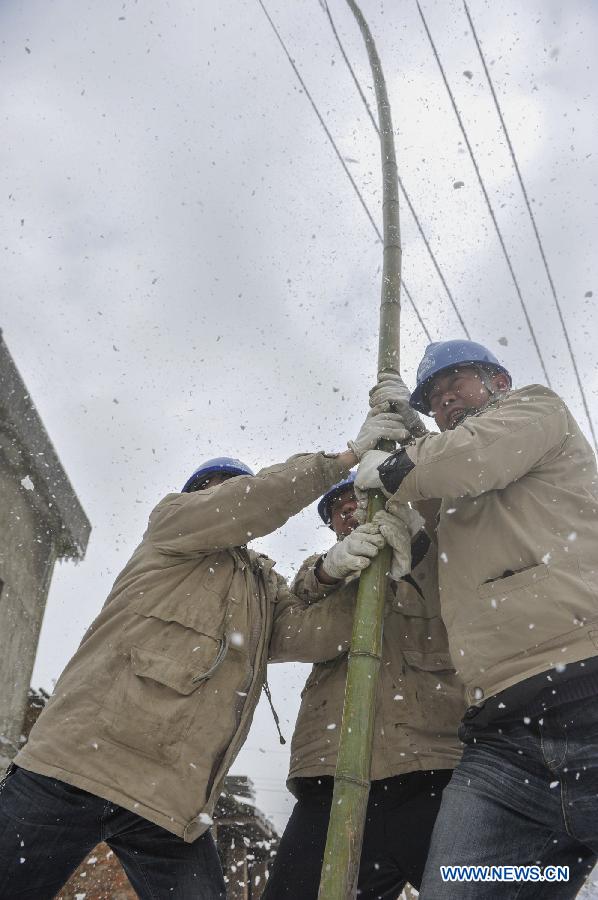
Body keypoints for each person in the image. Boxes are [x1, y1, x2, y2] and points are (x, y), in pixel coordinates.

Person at [0, 405, 408, 900]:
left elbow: (313, 634)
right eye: (214, 486)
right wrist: (344, 458)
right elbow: (251, 503)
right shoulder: (171, 528)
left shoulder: (262, 585)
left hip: (172, 803)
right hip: (72, 765)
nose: (223, 494)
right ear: (199, 496)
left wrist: (348, 572)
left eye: (230, 484)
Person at [355, 341, 598, 898]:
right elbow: (447, 580)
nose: (445, 403)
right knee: (462, 885)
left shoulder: (535, 410)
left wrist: (394, 462)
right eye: (435, 400)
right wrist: (411, 545)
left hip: (586, 697)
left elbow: (470, 457)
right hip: (502, 745)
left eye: (455, 385)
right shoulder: (453, 493)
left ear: (499, 381)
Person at [263, 473, 465, 899]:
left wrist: (414, 550)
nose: (352, 512)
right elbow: (284, 638)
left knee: (489, 885)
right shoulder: (314, 582)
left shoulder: (437, 555)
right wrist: (344, 579)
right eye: (340, 510)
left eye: (360, 499)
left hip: (432, 771)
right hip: (329, 783)